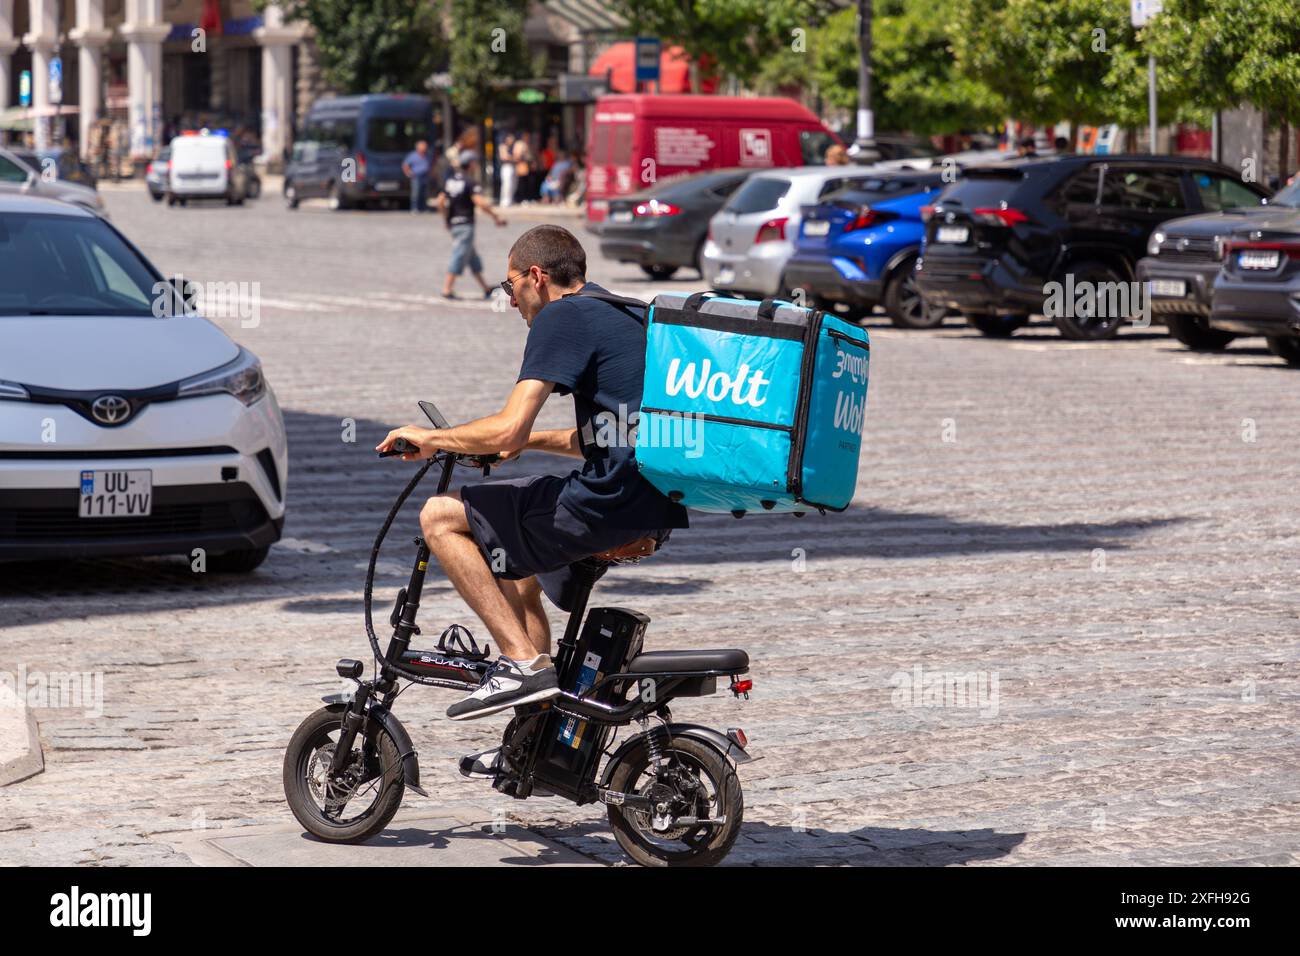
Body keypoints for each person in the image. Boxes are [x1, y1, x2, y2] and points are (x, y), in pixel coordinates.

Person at [376, 225, 690, 720]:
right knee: (510, 562)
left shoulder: (563, 316)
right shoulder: (628, 314)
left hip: (606, 503)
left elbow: (508, 427)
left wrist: (433, 436)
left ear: (537, 276)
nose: (509, 301)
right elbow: (608, 436)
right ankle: (535, 727)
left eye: (509, 286)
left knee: (440, 516)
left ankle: (522, 665)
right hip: (654, 506)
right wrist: (525, 446)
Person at [435, 150, 505, 299]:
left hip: (454, 224)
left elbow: (440, 201)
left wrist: (446, 219)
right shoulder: (469, 182)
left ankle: (485, 288)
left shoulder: (451, 180)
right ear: (471, 164)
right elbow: (480, 202)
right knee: (459, 255)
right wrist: (495, 216)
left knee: (472, 257)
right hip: (466, 224)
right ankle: (447, 288)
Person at [402, 139, 433, 213]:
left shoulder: (427, 155)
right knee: (415, 193)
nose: (425, 148)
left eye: (425, 146)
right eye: (423, 146)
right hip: (416, 176)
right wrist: (408, 173)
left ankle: (423, 208)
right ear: (418, 147)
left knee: (424, 193)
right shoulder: (413, 155)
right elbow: (405, 165)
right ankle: (414, 208)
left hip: (425, 176)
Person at [498, 132, 518, 207]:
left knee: (513, 184)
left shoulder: (513, 147)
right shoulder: (502, 146)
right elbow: (504, 157)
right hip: (506, 167)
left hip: (513, 166)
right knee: (507, 184)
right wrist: (513, 158)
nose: (511, 141)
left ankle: (510, 200)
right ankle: (504, 201)